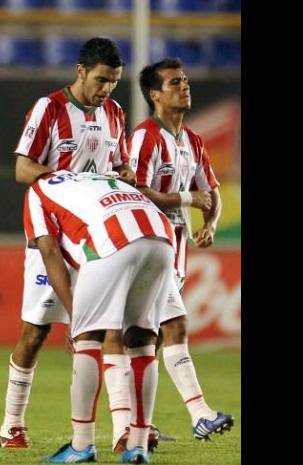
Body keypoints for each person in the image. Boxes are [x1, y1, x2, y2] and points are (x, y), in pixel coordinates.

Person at [0, 37, 136, 449]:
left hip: (97, 237)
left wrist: (125, 173)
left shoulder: (114, 113)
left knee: (111, 329)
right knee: (35, 332)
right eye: (100, 79)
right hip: (52, 233)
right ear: (80, 71)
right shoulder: (50, 108)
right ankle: (12, 423)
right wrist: (68, 181)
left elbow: (119, 164)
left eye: (113, 82)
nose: (106, 89)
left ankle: (123, 428)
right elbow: (23, 169)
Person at [28, 171, 176, 464]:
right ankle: (138, 446)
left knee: (88, 337)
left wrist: (75, 315)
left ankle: (81, 445)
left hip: (113, 235)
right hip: (162, 233)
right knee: (143, 341)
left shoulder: (38, 190)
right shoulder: (98, 177)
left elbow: (49, 252)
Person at [124, 57, 234, 442]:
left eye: (185, 80)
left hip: (175, 248)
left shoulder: (194, 142)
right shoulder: (144, 137)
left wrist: (210, 224)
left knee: (146, 339)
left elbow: (212, 192)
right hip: (146, 245)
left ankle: (137, 426)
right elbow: (133, 190)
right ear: (155, 95)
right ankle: (200, 414)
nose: (184, 86)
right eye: (174, 82)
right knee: (174, 325)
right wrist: (188, 198)